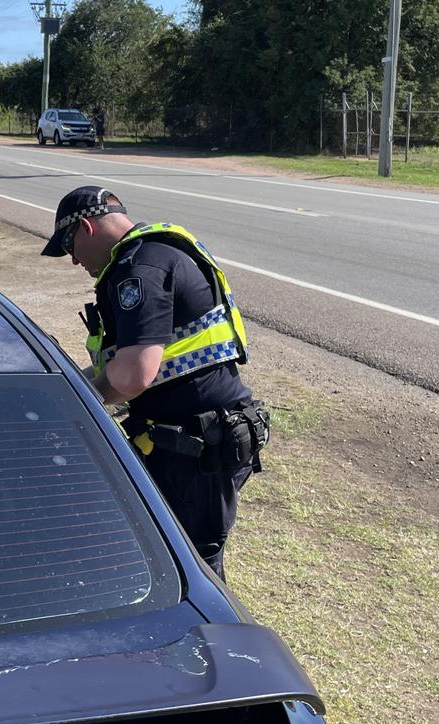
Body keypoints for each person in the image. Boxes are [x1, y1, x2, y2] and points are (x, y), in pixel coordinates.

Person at [41, 186, 269, 580]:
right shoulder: (156, 255)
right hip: (194, 438)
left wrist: (74, 403)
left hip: (197, 448)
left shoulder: (138, 269)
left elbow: (133, 375)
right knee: (171, 551)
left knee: (193, 564)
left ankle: (210, 638)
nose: (74, 259)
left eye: (69, 245)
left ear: (85, 227)